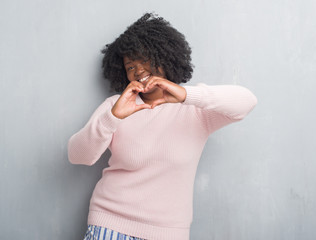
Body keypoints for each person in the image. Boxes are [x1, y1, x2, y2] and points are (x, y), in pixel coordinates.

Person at [68, 12, 258, 240]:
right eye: (130, 66)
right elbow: (77, 155)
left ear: (165, 56)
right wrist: (112, 117)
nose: (137, 70)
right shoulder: (116, 106)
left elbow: (247, 102)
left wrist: (187, 94)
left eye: (143, 59)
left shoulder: (195, 110)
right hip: (110, 226)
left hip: (168, 233)